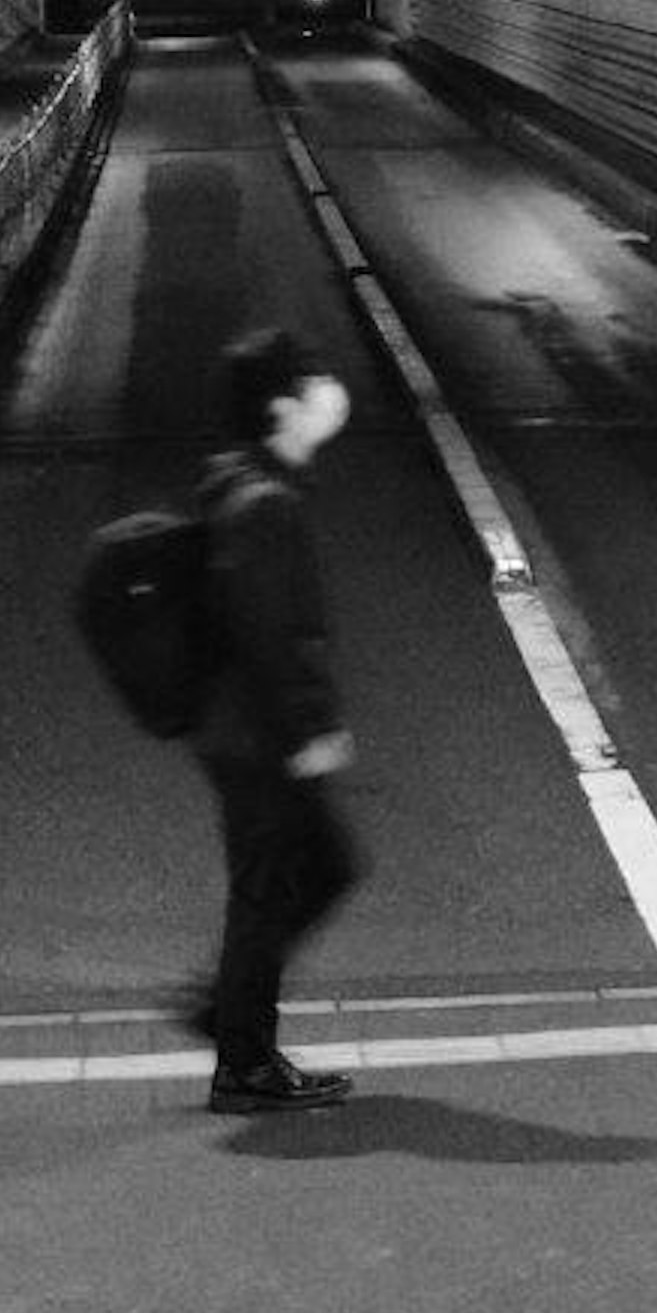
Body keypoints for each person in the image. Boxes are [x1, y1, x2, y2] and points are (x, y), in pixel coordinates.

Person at [184, 326, 363, 1115]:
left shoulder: (248, 482)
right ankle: (244, 1062)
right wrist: (309, 730)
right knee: (273, 888)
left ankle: (231, 1015)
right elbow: (268, 634)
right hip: (258, 737)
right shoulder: (262, 503)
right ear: (282, 406)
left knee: (319, 869)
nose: (329, 391)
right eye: (312, 380)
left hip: (243, 729)